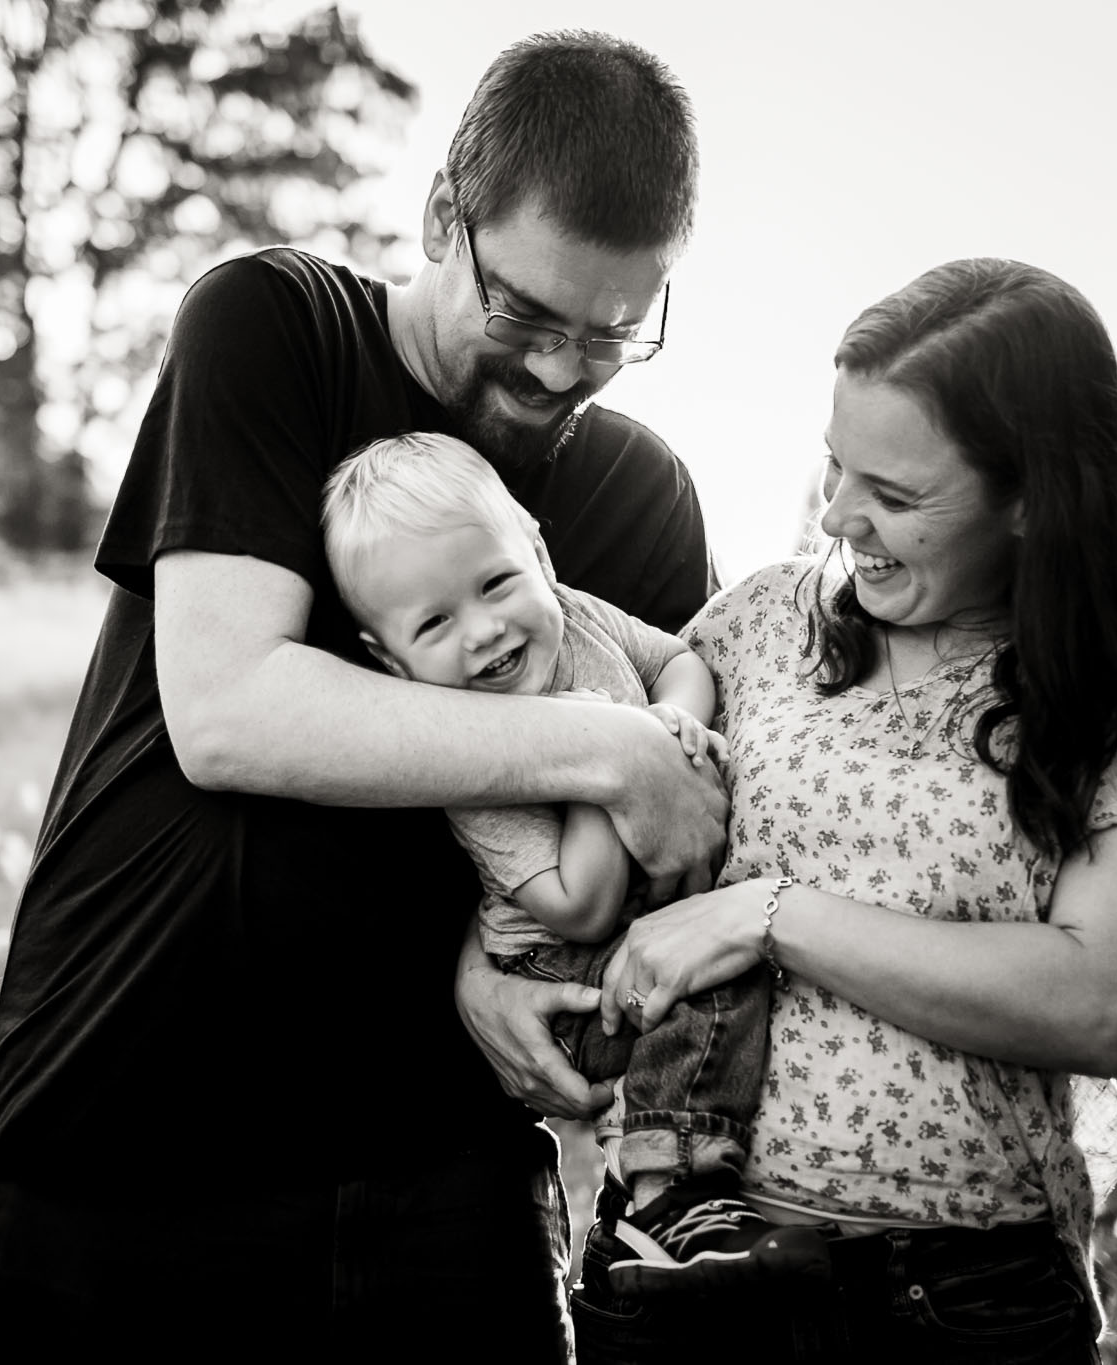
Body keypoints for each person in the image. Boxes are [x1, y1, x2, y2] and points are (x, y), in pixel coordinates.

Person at [0, 32, 721, 1363]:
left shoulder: (638, 495)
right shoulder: (276, 325)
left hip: (443, 1174)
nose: (553, 371)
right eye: (523, 315)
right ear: (438, 217)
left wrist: (492, 960)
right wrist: (603, 742)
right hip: (117, 1130)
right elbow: (232, 706)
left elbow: (663, 830)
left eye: (610, 335)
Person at [568, 257, 1117, 1363]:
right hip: (678, 1272)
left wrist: (768, 913)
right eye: (836, 466)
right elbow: (603, 749)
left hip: (950, 1299)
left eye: (894, 496)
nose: (841, 517)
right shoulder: (761, 623)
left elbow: (1098, 1002)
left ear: (1034, 495)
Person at [322, 432, 831, 1292]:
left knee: (734, 961)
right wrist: (607, 756)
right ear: (389, 660)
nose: (484, 631)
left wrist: (670, 716)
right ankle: (661, 1198)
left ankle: (728, 1175)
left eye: (496, 583)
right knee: (707, 985)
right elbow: (581, 904)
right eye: (435, 623)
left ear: (537, 548)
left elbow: (679, 661)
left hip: (629, 922)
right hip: (559, 971)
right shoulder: (465, 757)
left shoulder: (580, 615)